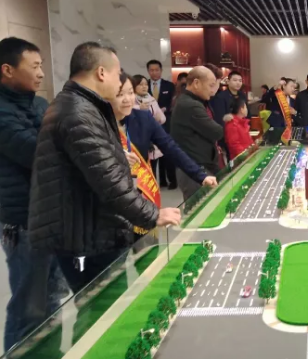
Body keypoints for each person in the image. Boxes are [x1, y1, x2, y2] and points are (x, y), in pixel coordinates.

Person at [29, 42, 181, 293]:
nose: (120, 82)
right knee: (102, 305)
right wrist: (152, 215)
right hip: (85, 235)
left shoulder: (81, 105)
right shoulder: (78, 112)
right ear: (101, 72)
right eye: (117, 73)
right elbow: (107, 179)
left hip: (91, 228)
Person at [0, 38, 66, 352]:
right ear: (7, 69)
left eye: (41, 66)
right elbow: (36, 151)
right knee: (29, 307)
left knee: (52, 296)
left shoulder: (39, 104)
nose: (41, 73)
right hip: (22, 219)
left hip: (51, 213)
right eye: (34, 66)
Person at [112, 73, 216, 212]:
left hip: (139, 188)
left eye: (130, 93)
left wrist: (200, 175)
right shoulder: (98, 121)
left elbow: (170, 147)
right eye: (119, 94)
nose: (127, 99)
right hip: (110, 190)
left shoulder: (143, 118)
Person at [171, 66, 226, 200]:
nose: (213, 90)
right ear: (196, 83)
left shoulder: (191, 101)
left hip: (196, 165)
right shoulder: (191, 105)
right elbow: (217, 132)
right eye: (211, 85)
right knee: (200, 207)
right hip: (195, 167)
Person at [146, 60, 177, 190]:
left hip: (166, 123)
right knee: (153, 154)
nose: (154, 72)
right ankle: (158, 181)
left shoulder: (169, 86)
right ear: (148, 71)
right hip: (150, 125)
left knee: (167, 153)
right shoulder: (144, 85)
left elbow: (174, 103)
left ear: (161, 70)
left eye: (156, 70)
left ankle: (172, 180)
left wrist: (166, 109)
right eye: (151, 70)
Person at [265, 78, 297, 144]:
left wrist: (295, 113)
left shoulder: (293, 101)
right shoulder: (276, 96)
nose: (293, 89)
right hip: (276, 127)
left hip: (288, 129)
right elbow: (267, 96)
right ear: (284, 86)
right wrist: (277, 85)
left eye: (294, 87)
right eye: (291, 86)